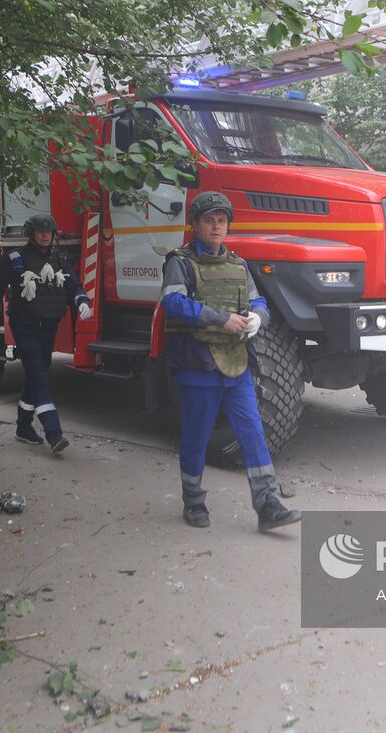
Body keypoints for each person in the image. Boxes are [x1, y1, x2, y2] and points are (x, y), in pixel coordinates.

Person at [160, 191, 302, 532]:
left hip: (236, 366)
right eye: (209, 220)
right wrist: (218, 318)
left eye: (221, 221)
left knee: (253, 432)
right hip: (197, 367)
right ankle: (193, 502)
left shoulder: (238, 265)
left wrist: (257, 320)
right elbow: (173, 303)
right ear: (195, 224)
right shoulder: (179, 262)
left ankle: (267, 504)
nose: (216, 226)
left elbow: (260, 303)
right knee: (195, 437)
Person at [0, 213, 90, 453]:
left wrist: (81, 301)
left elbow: (73, 285)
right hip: (24, 325)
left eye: (49, 231)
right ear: (31, 234)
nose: (45, 235)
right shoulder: (14, 260)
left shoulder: (60, 259)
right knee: (39, 376)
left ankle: (23, 427)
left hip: (49, 327)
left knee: (36, 375)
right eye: (40, 231)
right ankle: (54, 433)